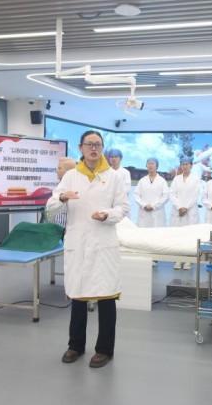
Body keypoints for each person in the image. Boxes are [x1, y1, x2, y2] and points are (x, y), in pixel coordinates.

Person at [46, 130, 129, 369]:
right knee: (78, 295)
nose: (94, 148)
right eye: (89, 144)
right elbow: (50, 208)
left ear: (102, 148)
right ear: (81, 148)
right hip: (79, 243)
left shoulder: (113, 177)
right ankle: (75, 345)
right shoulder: (71, 176)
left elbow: (123, 208)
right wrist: (62, 198)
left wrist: (107, 215)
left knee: (106, 297)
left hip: (103, 243)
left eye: (98, 144)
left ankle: (105, 349)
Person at [169, 156, 201, 270]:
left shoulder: (196, 179)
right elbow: (172, 194)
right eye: (183, 164)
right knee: (178, 236)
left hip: (190, 211)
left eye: (187, 164)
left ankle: (188, 261)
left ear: (191, 165)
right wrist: (179, 207)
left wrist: (186, 207)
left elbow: (195, 195)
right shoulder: (176, 179)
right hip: (178, 211)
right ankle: (178, 260)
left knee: (189, 236)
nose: (185, 166)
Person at [133, 157, 169, 227]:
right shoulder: (142, 181)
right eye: (148, 164)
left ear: (157, 166)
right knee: (143, 232)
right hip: (144, 213)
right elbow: (136, 195)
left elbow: (166, 196)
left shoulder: (162, 181)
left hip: (157, 213)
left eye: (152, 164)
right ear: (146, 166)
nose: (150, 165)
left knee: (157, 232)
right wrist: (144, 205)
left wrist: (154, 206)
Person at [49, 157, 76, 229]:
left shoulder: (73, 189)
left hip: (65, 230)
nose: (57, 171)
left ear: (68, 172)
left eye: (60, 168)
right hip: (54, 229)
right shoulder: (58, 188)